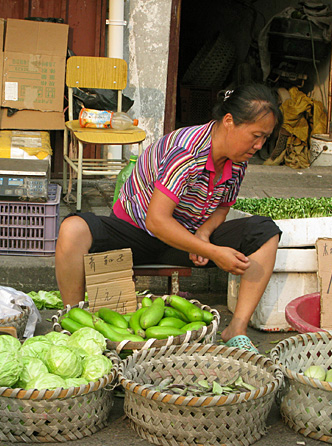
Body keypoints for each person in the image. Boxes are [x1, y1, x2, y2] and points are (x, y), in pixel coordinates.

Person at [55, 84, 283, 352]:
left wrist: (204, 234)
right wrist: (210, 250)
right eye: (256, 136)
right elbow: (157, 222)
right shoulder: (187, 150)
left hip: (184, 240)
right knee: (73, 229)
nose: (259, 146)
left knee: (264, 231)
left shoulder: (238, 159)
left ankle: (237, 328)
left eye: (265, 139)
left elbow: (222, 207)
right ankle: (74, 324)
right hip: (136, 235)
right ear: (230, 122)